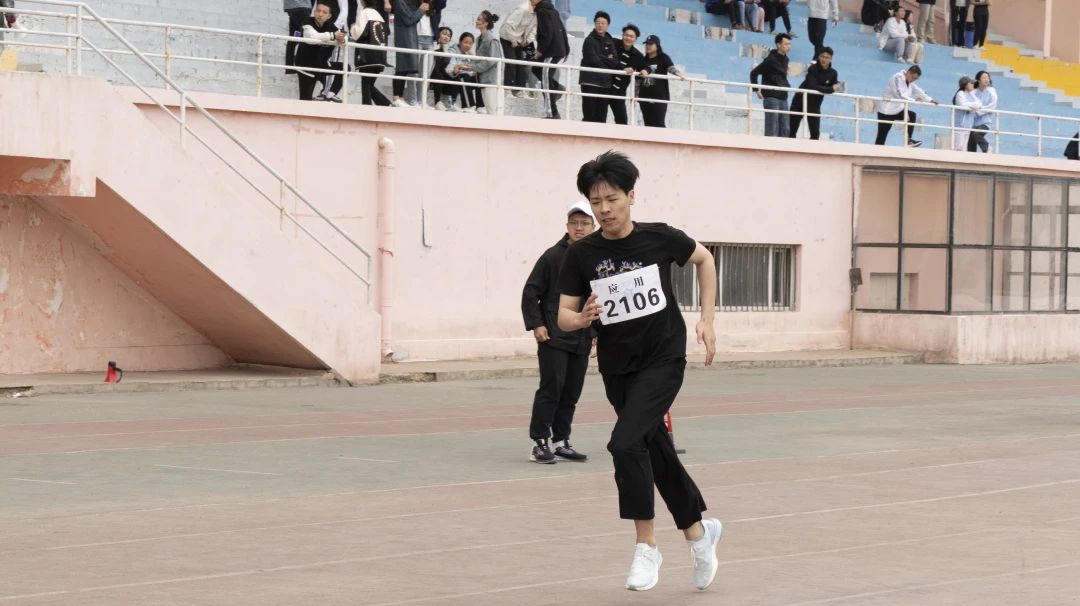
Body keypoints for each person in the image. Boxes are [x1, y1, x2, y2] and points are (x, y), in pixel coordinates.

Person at [557, 151, 722, 593]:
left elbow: (705, 260)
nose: (604, 209)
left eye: (612, 199)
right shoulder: (582, 254)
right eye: (596, 202)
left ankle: (646, 547)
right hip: (617, 368)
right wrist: (581, 318)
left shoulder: (660, 237)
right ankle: (699, 534)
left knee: (625, 442)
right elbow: (563, 316)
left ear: (631, 196)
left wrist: (707, 319)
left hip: (664, 359)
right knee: (655, 450)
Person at [521, 201, 597, 464]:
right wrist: (537, 324)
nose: (579, 228)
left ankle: (561, 441)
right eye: (574, 223)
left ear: (593, 226)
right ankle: (539, 442)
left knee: (571, 392)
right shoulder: (553, 256)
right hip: (553, 335)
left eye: (584, 223)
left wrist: (596, 333)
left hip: (582, 338)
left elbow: (598, 299)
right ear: (567, 226)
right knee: (551, 389)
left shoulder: (596, 258)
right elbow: (531, 292)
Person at [875, 65, 939, 147]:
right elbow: (899, 94)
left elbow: (919, 91)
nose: (913, 80)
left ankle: (908, 140)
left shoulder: (910, 82)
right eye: (913, 78)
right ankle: (876, 151)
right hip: (886, 111)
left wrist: (930, 100)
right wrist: (914, 100)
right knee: (882, 136)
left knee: (912, 115)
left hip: (898, 110)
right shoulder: (897, 78)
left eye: (915, 79)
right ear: (908, 73)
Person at [296, 1, 346, 102]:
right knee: (305, 99)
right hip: (306, 66)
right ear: (314, 12)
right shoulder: (307, 22)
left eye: (324, 12)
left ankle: (330, 93)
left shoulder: (330, 25)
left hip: (320, 65)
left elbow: (342, 37)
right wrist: (332, 36)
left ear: (329, 16)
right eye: (318, 11)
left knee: (344, 67)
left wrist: (342, 40)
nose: (320, 14)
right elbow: (312, 38)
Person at [788, 46, 840, 140]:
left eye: (827, 57)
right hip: (799, 102)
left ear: (831, 59)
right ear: (819, 57)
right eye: (822, 56)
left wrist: (834, 87)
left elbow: (835, 85)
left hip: (814, 106)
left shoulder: (833, 73)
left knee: (815, 134)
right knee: (792, 131)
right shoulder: (812, 68)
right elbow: (813, 86)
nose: (824, 59)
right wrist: (830, 89)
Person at [580, 11, 620, 123]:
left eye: (603, 23)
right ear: (594, 24)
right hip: (590, 83)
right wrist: (607, 58)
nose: (600, 25)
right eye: (598, 22)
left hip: (605, 84)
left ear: (608, 25)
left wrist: (601, 57)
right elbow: (593, 60)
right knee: (589, 116)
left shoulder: (609, 41)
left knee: (601, 118)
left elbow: (615, 62)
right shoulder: (589, 40)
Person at [750, 33, 792, 137]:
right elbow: (754, 73)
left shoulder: (786, 59)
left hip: (783, 97)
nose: (789, 46)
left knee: (786, 129)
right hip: (771, 97)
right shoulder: (770, 60)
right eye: (786, 44)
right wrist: (756, 90)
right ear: (778, 45)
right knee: (772, 128)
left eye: (789, 44)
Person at [351, 0, 392, 106]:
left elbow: (358, 34)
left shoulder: (364, 13)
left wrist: (353, 27)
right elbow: (387, 32)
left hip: (367, 55)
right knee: (369, 85)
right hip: (380, 56)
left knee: (366, 85)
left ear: (363, 2)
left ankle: (368, 108)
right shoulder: (379, 15)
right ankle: (385, 104)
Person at [533, 0, 569, 119]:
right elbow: (562, 29)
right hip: (556, 49)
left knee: (545, 79)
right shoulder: (552, 10)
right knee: (536, 69)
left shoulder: (542, 11)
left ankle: (552, 113)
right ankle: (557, 88)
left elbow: (547, 33)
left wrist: (540, 50)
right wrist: (566, 48)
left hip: (551, 51)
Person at [638, 35, 683, 128]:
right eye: (646, 44)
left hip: (660, 97)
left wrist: (678, 73)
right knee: (647, 124)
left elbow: (670, 68)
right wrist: (636, 95)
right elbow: (638, 79)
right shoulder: (643, 60)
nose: (648, 46)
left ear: (657, 46)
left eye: (651, 44)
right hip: (644, 97)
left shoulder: (663, 57)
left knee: (659, 123)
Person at [391, 0, 430, 107]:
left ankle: (400, 97)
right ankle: (396, 97)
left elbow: (412, 19)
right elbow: (409, 20)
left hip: (409, 38)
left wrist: (420, 10)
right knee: (401, 68)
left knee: (406, 68)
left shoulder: (406, 3)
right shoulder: (399, 2)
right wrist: (421, 10)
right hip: (404, 39)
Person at [499, 0, 537, 99]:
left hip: (520, 39)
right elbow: (508, 25)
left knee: (521, 63)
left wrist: (527, 40)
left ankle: (519, 89)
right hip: (507, 37)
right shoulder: (522, 9)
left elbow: (534, 29)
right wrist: (513, 40)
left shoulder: (537, 12)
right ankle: (507, 89)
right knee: (511, 62)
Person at [611, 24, 645, 126]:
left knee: (622, 121)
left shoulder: (638, 56)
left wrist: (643, 71)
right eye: (626, 35)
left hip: (619, 92)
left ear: (635, 39)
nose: (628, 38)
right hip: (605, 88)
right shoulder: (613, 43)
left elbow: (644, 69)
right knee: (599, 118)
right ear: (622, 35)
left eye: (631, 36)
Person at [472, 10, 505, 115]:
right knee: (490, 110)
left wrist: (474, 67)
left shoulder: (492, 39)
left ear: (486, 23)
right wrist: (470, 65)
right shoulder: (479, 39)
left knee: (493, 111)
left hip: (492, 80)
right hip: (483, 79)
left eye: (479, 19)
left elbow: (492, 59)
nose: (476, 21)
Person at [446, 32, 485, 112]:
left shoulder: (468, 54)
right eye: (465, 42)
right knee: (464, 76)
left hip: (462, 78)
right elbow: (451, 69)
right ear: (460, 41)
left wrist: (472, 57)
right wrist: (461, 67)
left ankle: (480, 106)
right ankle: (467, 106)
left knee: (478, 77)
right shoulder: (452, 51)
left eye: (470, 43)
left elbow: (472, 70)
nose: (468, 45)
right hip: (450, 78)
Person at [428, 26, 457, 110]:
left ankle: (451, 104)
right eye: (444, 34)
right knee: (439, 75)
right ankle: (437, 102)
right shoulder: (432, 47)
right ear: (438, 34)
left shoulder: (447, 50)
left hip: (441, 75)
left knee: (455, 78)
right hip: (432, 74)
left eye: (449, 35)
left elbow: (447, 68)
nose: (446, 37)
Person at [968, 70, 997, 152]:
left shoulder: (992, 91)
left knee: (976, 134)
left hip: (985, 122)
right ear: (978, 80)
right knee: (970, 142)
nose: (986, 79)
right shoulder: (973, 92)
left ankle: (987, 148)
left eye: (988, 78)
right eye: (984, 77)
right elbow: (971, 104)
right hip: (973, 123)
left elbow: (992, 105)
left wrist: (979, 111)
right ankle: (971, 157)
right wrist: (977, 108)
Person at [284, 0, 315, 75]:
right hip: (303, 7)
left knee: (293, 37)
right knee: (307, 37)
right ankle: (303, 66)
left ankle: (289, 67)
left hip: (291, 7)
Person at [952, 76, 981, 150]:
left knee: (964, 148)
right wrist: (973, 107)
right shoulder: (960, 93)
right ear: (965, 84)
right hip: (960, 125)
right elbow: (962, 105)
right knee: (958, 147)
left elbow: (979, 104)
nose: (973, 85)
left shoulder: (972, 94)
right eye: (971, 83)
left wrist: (969, 106)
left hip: (968, 126)